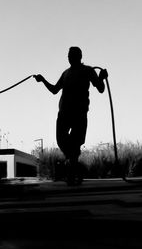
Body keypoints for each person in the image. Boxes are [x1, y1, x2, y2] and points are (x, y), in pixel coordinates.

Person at [34, 47, 108, 185]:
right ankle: (74, 166)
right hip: (64, 113)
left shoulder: (88, 70)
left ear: (79, 56)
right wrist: (43, 80)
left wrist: (102, 78)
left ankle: (72, 173)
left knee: (75, 143)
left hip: (79, 113)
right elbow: (55, 90)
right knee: (61, 140)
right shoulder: (65, 73)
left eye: (72, 55)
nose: (69, 58)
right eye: (68, 55)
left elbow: (101, 88)